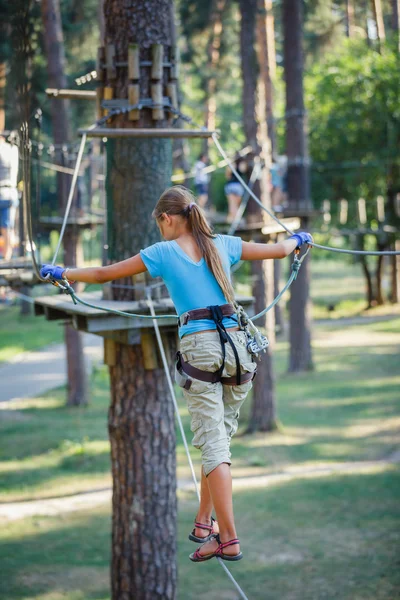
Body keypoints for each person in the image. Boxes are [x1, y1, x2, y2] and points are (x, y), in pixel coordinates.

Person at [40, 185, 312, 562]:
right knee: (218, 438)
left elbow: (103, 273)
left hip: (202, 349)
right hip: (238, 349)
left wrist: (63, 273)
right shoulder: (225, 245)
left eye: (160, 225)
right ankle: (204, 521)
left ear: (167, 219)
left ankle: (228, 538)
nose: (160, 232)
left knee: (214, 445)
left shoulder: (164, 252)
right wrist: (298, 240)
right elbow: (280, 250)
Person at [0, 135, 19, 261]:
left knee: (6, 227)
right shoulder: (13, 149)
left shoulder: (5, 149)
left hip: (3, 192)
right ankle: (7, 255)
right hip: (11, 192)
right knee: (8, 227)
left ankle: (6, 256)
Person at [224, 157, 248, 223]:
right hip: (238, 186)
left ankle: (233, 219)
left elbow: (227, 177)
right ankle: (235, 219)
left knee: (232, 204)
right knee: (236, 205)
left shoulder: (231, 165)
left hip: (231, 185)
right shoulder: (242, 164)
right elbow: (244, 171)